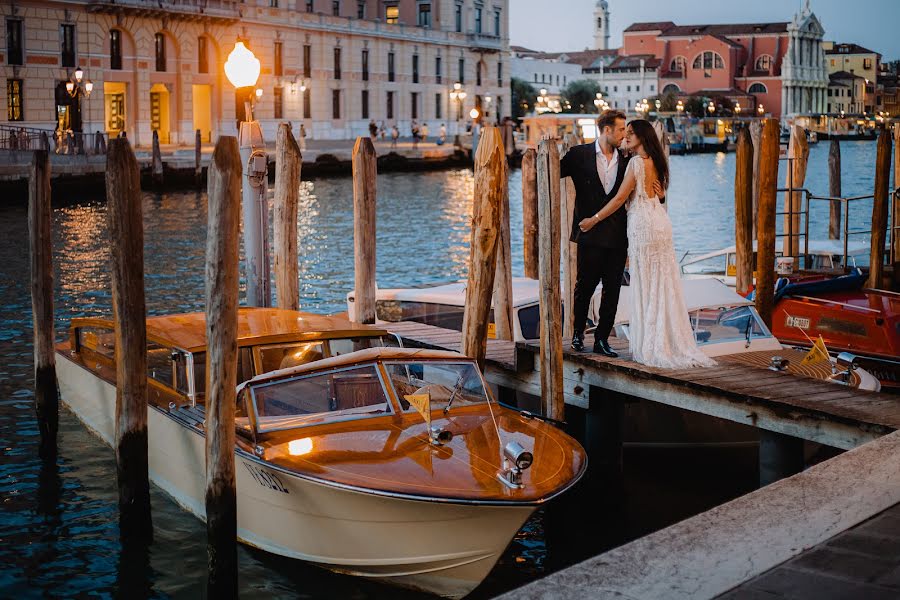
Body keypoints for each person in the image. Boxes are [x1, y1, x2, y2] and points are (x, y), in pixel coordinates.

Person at [579, 119, 715, 369]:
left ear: (642, 136)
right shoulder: (658, 160)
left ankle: (653, 345)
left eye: (631, 134)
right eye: (626, 133)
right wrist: (661, 195)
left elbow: (620, 198)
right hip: (660, 221)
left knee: (648, 281)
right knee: (663, 281)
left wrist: (594, 219)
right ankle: (669, 341)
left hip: (643, 223)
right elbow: (660, 193)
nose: (627, 137)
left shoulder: (636, 163)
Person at [560, 110, 632, 357]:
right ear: (607, 130)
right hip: (588, 234)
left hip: (617, 237)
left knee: (612, 290)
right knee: (585, 287)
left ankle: (602, 339)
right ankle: (578, 334)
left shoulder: (627, 159)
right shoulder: (578, 155)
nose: (625, 134)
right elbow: (549, 171)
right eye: (621, 129)